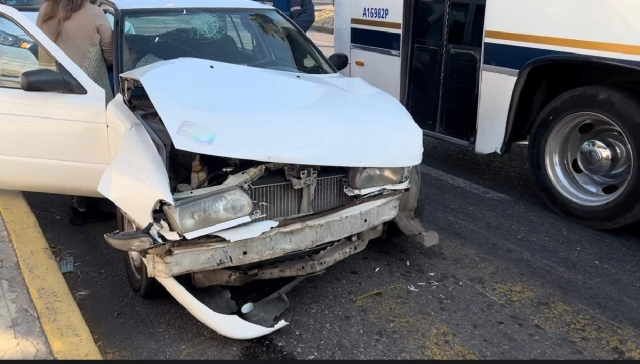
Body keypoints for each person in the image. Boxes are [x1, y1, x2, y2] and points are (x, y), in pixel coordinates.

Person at [36, 0, 116, 225]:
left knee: (71, 144)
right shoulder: (95, 13)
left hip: (56, 87)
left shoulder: (46, 10)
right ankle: (84, 206)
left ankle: (76, 196)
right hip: (90, 90)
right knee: (96, 146)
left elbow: (41, 53)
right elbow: (110, 56)